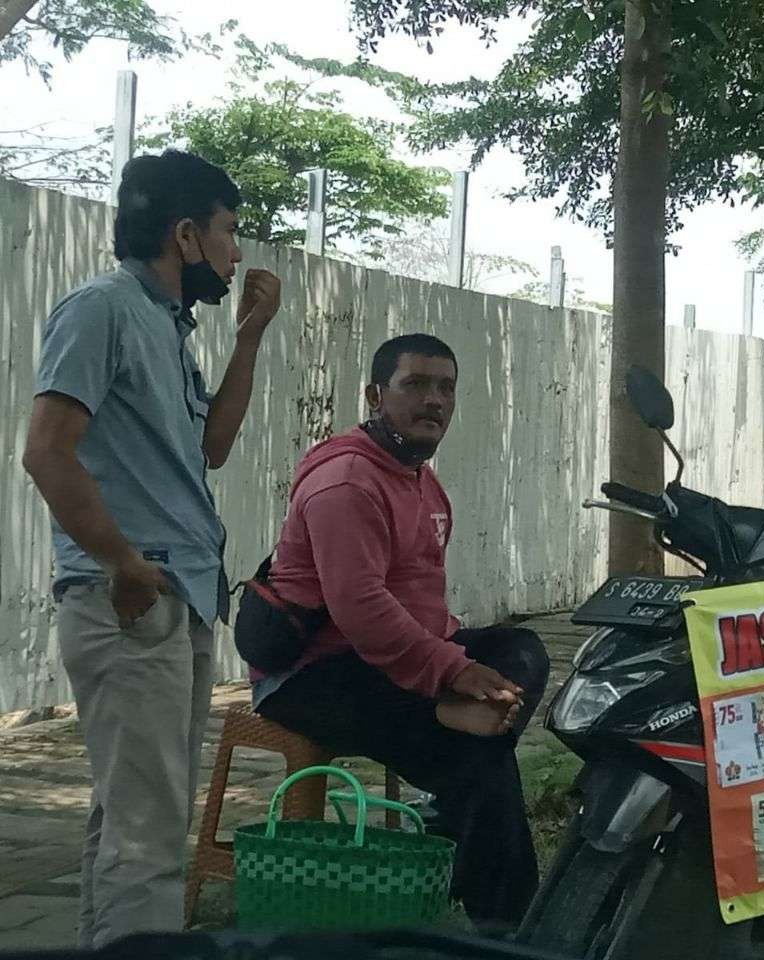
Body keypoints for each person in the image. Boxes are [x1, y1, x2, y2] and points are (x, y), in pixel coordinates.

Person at [22, 150, 280, 947]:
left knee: (129, 817)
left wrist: (249, 340)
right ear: (185, 234)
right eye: (229, 231)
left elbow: (212, 446)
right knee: (151, 838)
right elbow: (46, 451)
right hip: (135, 600)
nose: (238, 251)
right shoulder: (100, 309)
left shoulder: (166, 324)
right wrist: (122, 564)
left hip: (178, 598)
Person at [250, 333, 550, 933]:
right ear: (375, 395)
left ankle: (453, 818)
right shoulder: (348, 483)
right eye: (415, 384)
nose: (433, 400)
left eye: (445, 388)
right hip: (314, 674)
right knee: (477, 757)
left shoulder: (417, 475)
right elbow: (360, 608)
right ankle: (508, 926)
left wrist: (461, 661)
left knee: (521, 650)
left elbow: (421, 598)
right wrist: (452, 673)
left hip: (386, 663)